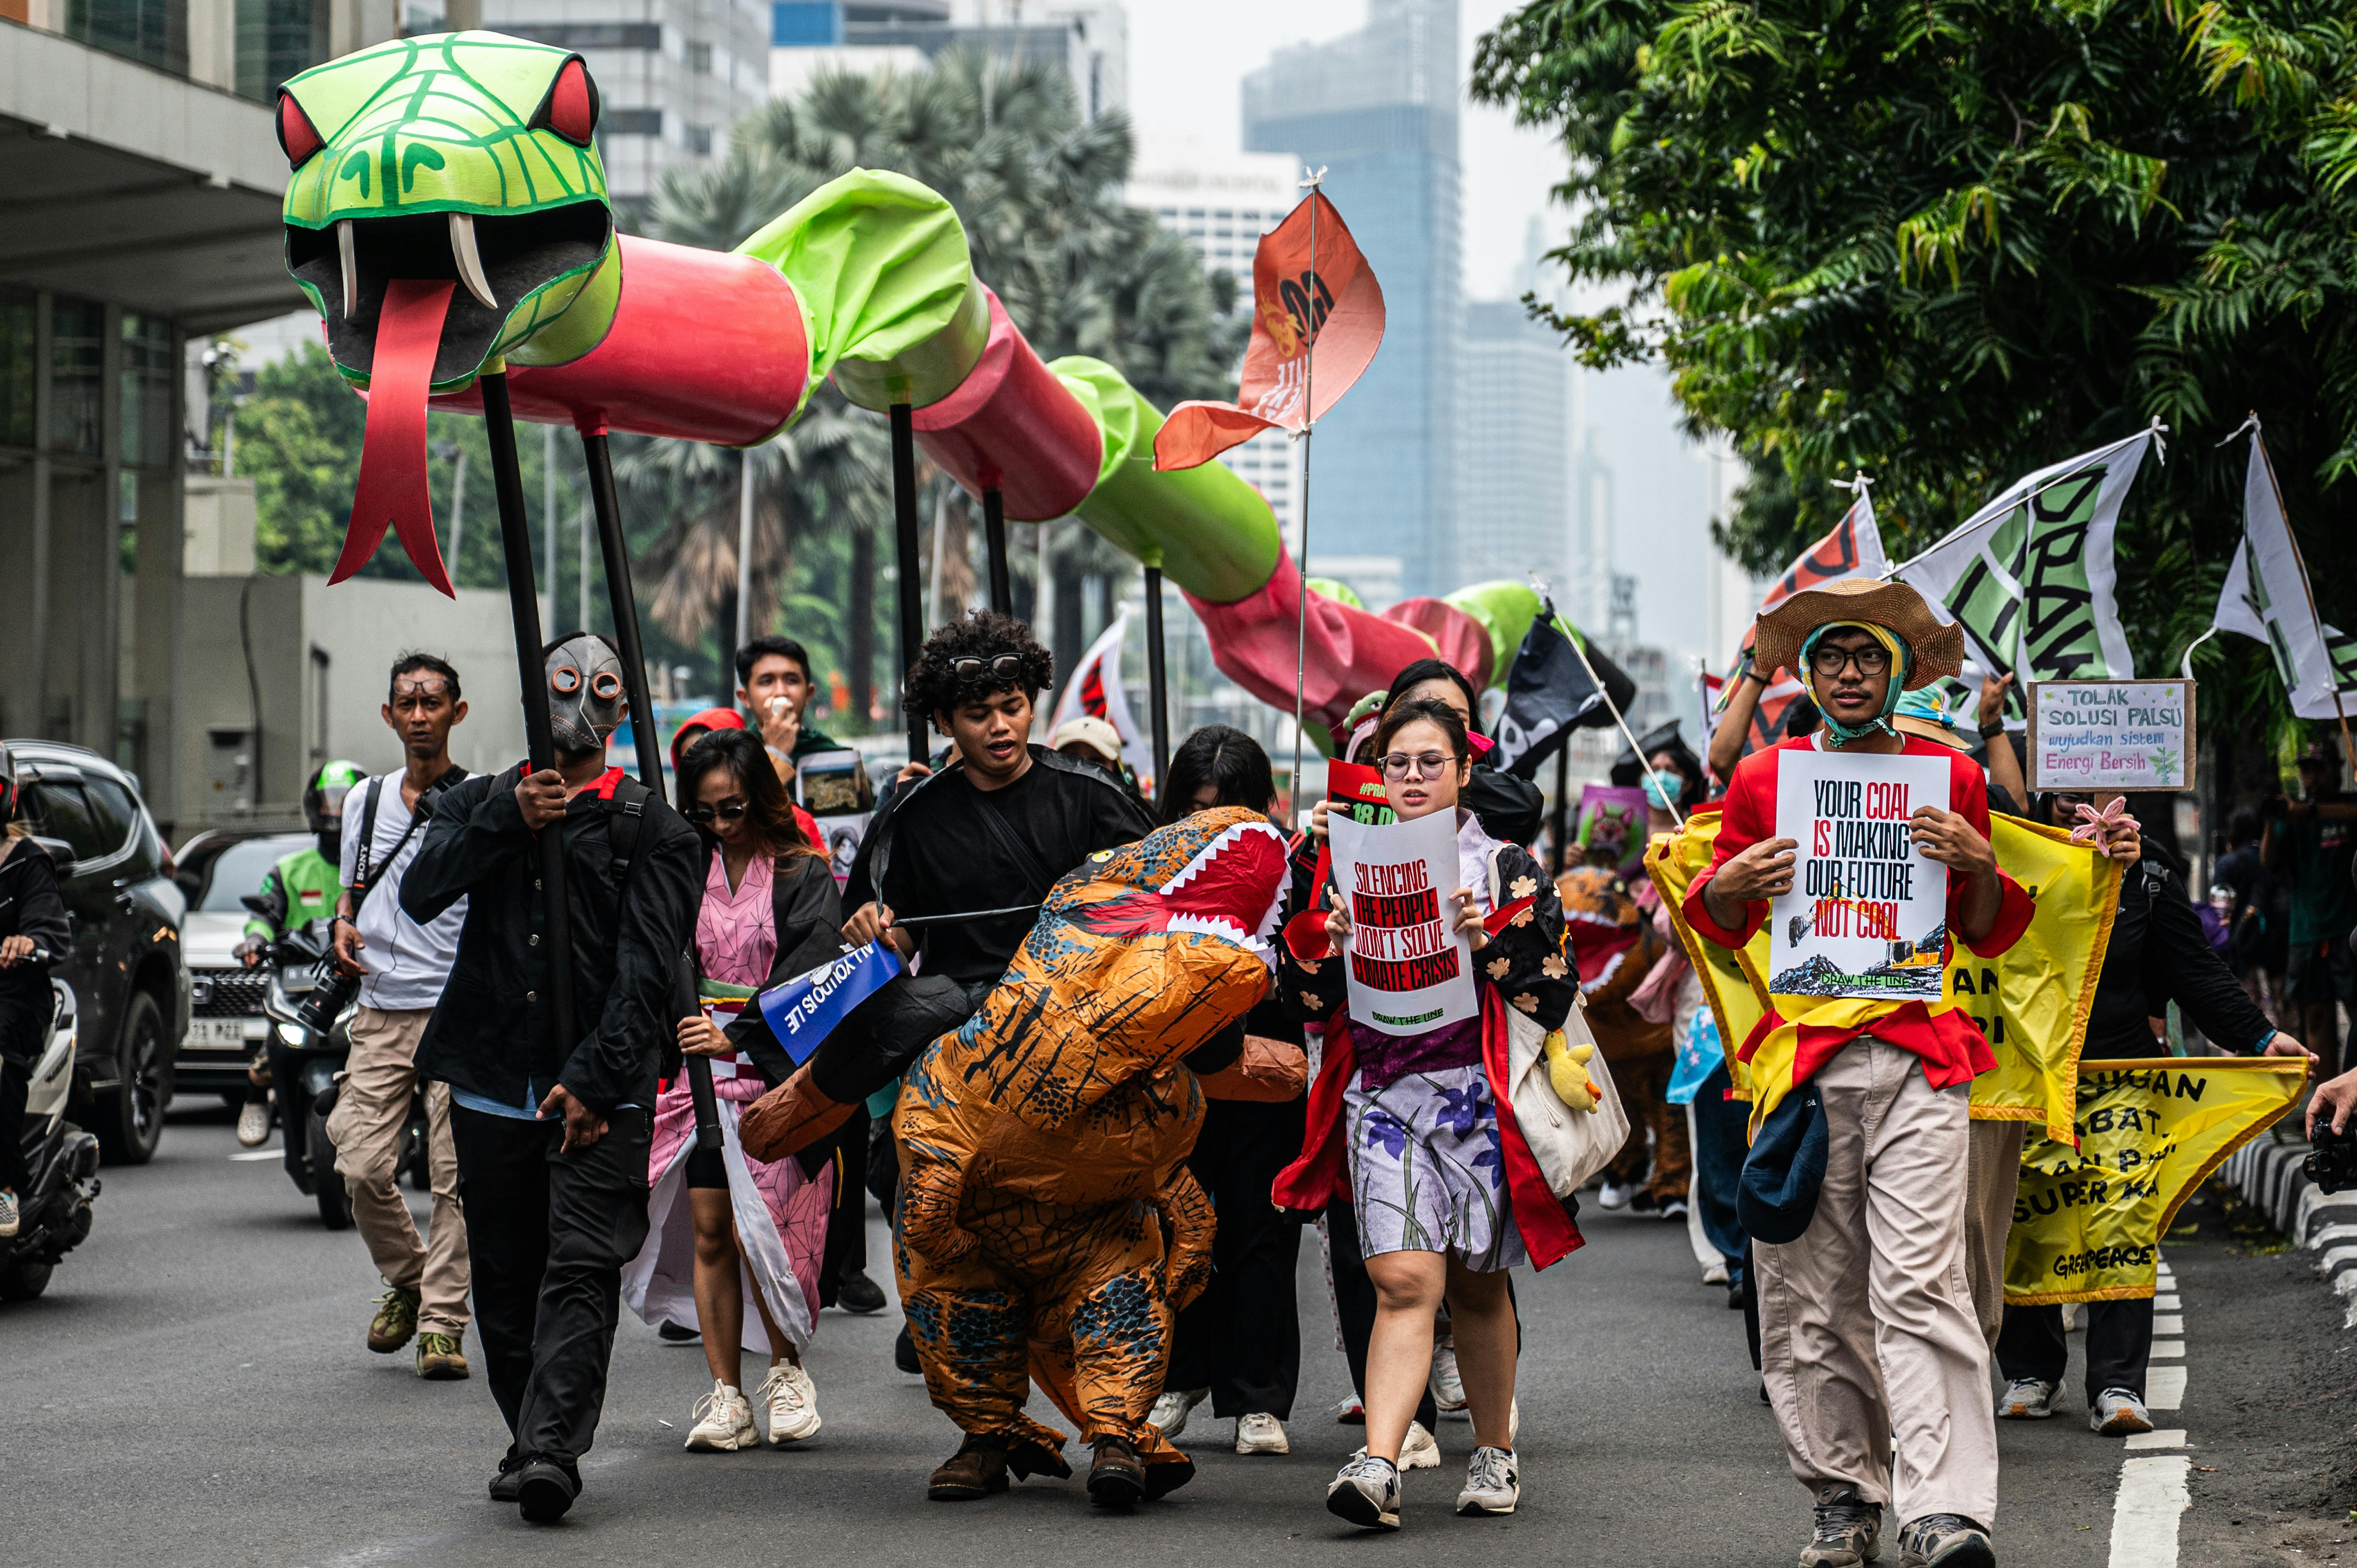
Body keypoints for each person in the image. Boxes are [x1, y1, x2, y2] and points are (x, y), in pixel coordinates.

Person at [1686, 577, 2035, 1568]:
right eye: (1832, 657)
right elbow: (1721, 919)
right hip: (1805, 1072)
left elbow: (1983, 927)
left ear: (1897, 673)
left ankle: (1945, 1510)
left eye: (1868, 658)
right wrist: (1729, 882)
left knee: (1923, 1285)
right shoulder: (1764, 777)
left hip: (1925, 1061)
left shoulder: (1953, 776)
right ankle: (1843, 1497)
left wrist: (1977, 859)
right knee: (1812, 1293)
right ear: (1809, 670)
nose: (1849, 674)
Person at [403, 633, 702, 1523]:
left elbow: (648, 972)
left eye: (600, 686)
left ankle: (550, 1449)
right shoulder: (480, 800)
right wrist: (509, 819)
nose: (581, 701)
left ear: (625, 706)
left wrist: (595, 1077)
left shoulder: (656, 828)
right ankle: (527, 1425)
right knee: (504, 1275)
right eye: (563, 685)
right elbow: (420, 892)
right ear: (532, 698)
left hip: (603, 1095)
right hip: (492, 1080)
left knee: (578, 1268)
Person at [1277, 697, 1582, 1531]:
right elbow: (1299, 993)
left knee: (1480, 1289)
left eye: (1431, 762)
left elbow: (1552, 989)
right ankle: (1379, 1463)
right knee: (1403, 1282)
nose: (1413, 777)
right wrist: (1324, 940)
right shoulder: (1345, 861)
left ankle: (1493, 1450)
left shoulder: (1508, 867)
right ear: (1379, 773)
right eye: (1398, 763)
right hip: (1381, 1099)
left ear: (1465, 771)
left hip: (1480, 1104)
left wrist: (1490, 941)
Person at [839, 610, 1155, 1371]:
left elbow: (1157, 906)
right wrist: (873, 929)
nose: (1001, 725)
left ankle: (1117, 1406)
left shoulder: (1091, 795)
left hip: (1079, 1034)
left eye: (1013, 706)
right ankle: (965, 1371)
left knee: (1101, 1220)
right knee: (920, 1187)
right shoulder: (911, 819)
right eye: (978, 713)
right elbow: (895, 935)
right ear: (944, 720)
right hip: (960, 1043)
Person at [1996, 791, 2309, 1435]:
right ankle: (2031, 1369)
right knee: (2021, 1218)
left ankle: (2117, 1383)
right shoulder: (1999, 853)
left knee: (2122, 1222)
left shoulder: (2151, 871)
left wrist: (2259, 1036)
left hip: (2123, 1078)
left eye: (2092, 784)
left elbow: (2193, 970)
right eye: (2062, 785)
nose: (2076, 799)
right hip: (2027, 1075)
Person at [626, 728, 842, 1452]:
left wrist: (742, 1030)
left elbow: (819, 972)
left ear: (762, 799)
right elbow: (654, 962)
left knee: (771, 1232)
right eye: (704, 813)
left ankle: (786, 1371)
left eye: (734, 808)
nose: (720, 825)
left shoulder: (802, 874)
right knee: (714, 1230)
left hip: (777, 1079)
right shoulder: (677, 872)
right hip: (698, 1078)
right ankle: (727, 1395)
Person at [1147, 726, 1307, 1458]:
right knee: (1174, 1230)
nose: (1211, 823)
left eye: (1229, 808)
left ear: (1263, 805)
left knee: (1261, 1230)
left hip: (1266, 1074)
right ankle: (1179, 1376)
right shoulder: (1150, 868)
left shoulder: (1297, 864)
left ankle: (1258, 1397)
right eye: (1197, 807)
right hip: (1174, 1075)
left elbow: (1317, 975)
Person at [324, 656, 474, 1379]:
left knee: (455, 1178)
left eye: (433, 702)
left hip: (458, 1008)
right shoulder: (367, 798)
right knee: (359, 1166)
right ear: (388, 715)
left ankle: (443, 1324)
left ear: (458, 713)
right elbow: (351, 885)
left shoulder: (479, 799)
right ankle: (412, 1279)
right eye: (407, 703)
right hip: (380, 1008)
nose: (419, 714)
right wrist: (342, 922)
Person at [232, 759, 366, 1148]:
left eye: (345, 803)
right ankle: (257, 1093)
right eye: (329, 802)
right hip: (301, 984)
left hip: (359, 982)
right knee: (272, 1050)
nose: (336, 812)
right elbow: (264, 914)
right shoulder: (290, 869)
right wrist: (255, 942)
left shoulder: (373, 866)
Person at [0, 746, 66, 1239]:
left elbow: (48, 927)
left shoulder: (27, 861)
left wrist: (30, 941)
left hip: (15, 995)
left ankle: (3, 1186)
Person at [2264, 741, 2357, 1076]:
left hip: (2349, 928)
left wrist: (2309, 811)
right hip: (2307, 930)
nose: (2312, 777)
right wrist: (2273, 819)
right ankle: (2329, 1103)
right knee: (2315, 1014)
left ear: (2336, 769)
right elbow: (2269, 860)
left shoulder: (2347, 806)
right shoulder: (2294, 816)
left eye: (2319, 768)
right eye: (2306, 769)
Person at [2217, 807, 2287, 1030]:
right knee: (2281, 1006)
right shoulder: (2274, 859)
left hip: (2241, 944)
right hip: (2277, 943)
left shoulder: (2228, 863)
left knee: (2244, 1006)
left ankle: (2243, 1057)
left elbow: (2220, 907)